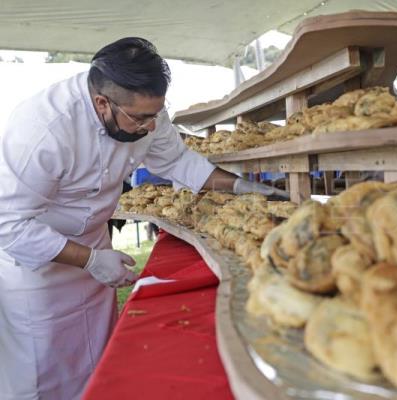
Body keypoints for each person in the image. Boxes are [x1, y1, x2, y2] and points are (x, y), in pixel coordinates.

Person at [0, 37, 287, 399]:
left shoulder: (146, 112)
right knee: (43, 374)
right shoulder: (42, 128)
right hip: (39, 270)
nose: (151, 127)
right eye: (140, 118)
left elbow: (178, 161)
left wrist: (245, 188)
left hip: (94, 248)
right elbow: (8, 223)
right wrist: (87, 259)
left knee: (96, 362)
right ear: (102, 102)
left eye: (156, 115)